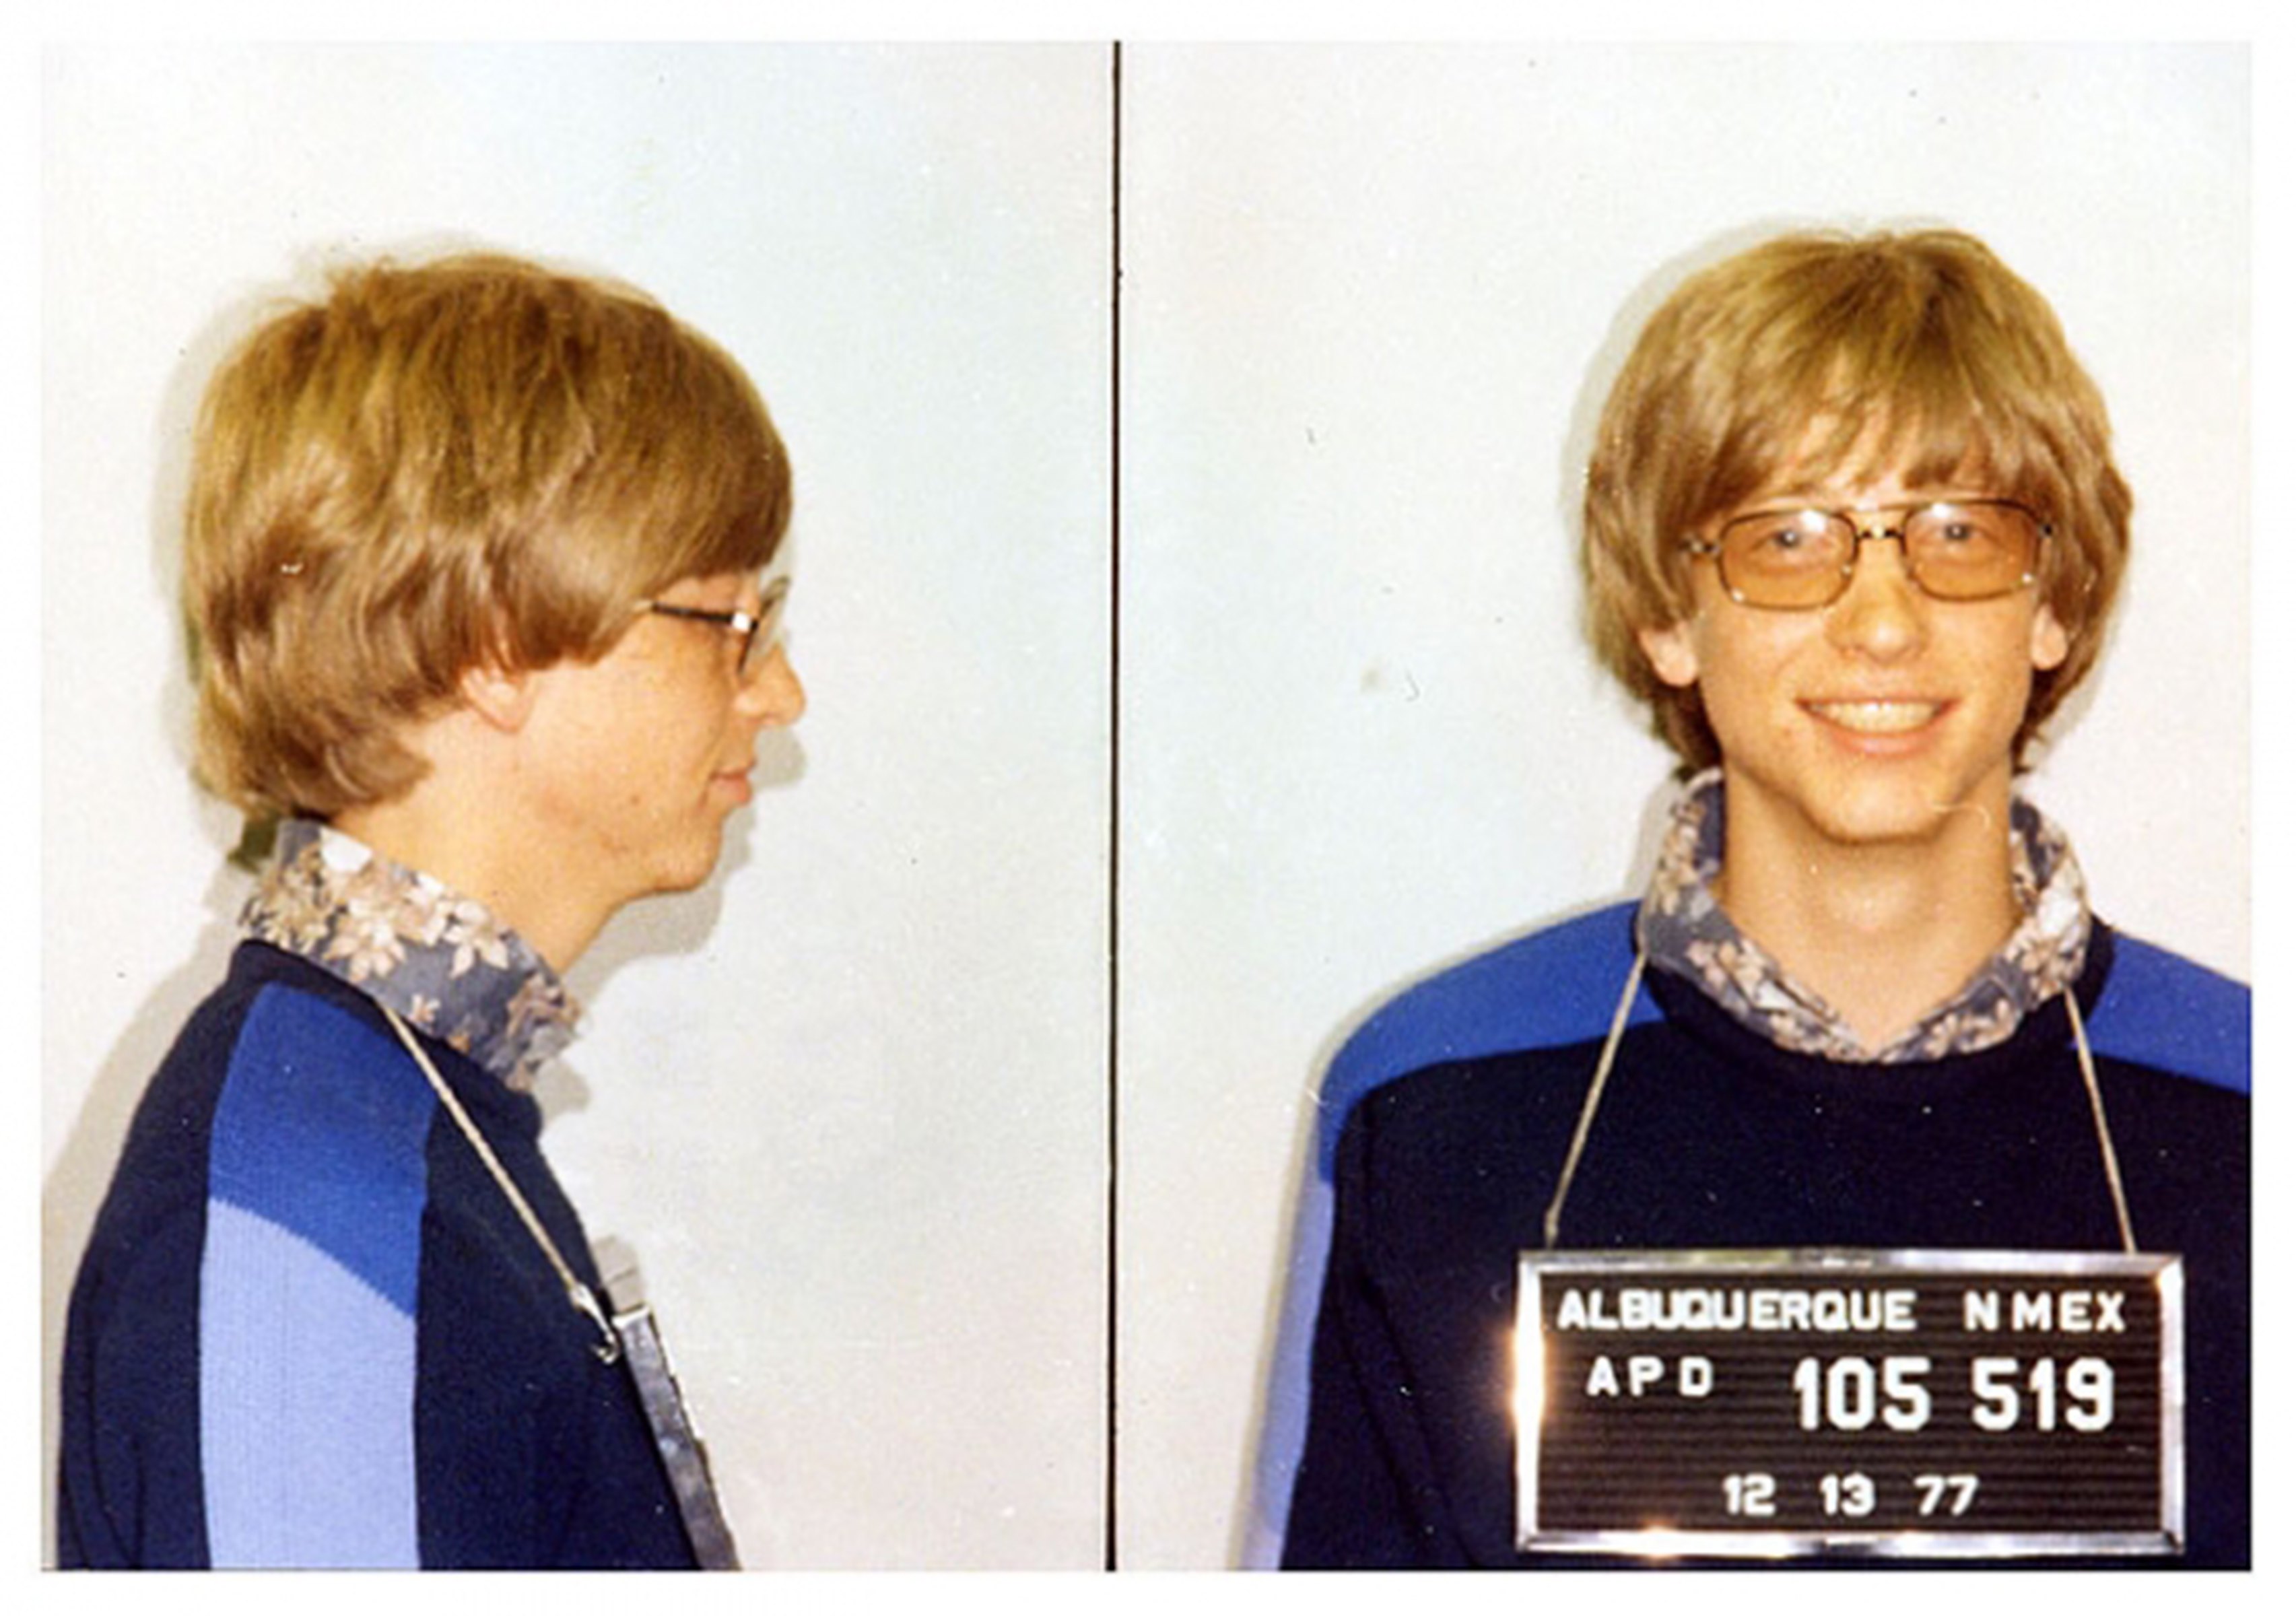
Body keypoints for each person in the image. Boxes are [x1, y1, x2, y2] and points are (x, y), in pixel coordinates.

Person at [1255, 228, 2248, 1569]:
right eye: (1786, 540)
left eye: (1958, 534)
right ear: (1670, 616)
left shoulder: (2252, 1107)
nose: (1881, 623)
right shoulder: (1428, 1105)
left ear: (2051, 606)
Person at [57, 253, 805, 1568]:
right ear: (494, 647)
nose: (778, 692)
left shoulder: (404, 1105)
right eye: (728, 621)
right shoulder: (311, 1206)